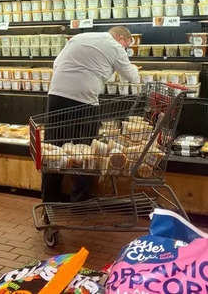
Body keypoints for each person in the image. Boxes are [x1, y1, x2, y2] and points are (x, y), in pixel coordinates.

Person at [42, 26, 140, 203]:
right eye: (126, 45)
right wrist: (134, 69)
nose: (125, 49)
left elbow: (56, 63)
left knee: (54, 148)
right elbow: (132, 77)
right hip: (84, 99)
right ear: (120, 37)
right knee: (86, 149)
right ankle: (80, 199)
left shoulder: (80, 37)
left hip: (56, 94)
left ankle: (50, 197)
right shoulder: (115, 46)